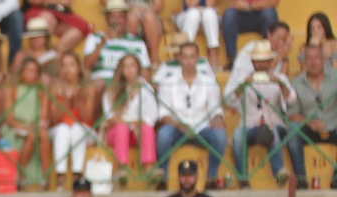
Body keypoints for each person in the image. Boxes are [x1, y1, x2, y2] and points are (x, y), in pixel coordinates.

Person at [156, 42, 228, 189]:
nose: (189, 61)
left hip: (202, 128)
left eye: (192, 57)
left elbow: (216, 110)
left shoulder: (209, 81)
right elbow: (163, 114)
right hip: (176, 129)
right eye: (185, 57)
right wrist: (177, 124)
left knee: (220, 135)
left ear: (197, 58)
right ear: (179, 58)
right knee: (163, 135)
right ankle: (162, 179)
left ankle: (211, 178)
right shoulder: (168, 82)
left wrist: (216, 119)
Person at [228, 41, 297, 186]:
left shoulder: (280, 78)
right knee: (238, 135)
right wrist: (243, 85)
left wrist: (280, 84)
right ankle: (243, 178)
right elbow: (229, 99)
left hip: (275, 123)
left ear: (271, 61)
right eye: (258, 62)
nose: (262, 65)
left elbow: (291, 99)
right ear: (253, 62)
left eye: (265, 62)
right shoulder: (244, 78)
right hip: (250, 124)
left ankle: (278, 172)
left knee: (271, 129)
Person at [288, 41, 337, 189]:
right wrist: (309, 121)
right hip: (309, 130)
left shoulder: (335, 78)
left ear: (323, 60)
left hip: (333, 126)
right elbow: (291, 115)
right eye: (309, 58)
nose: (313, 62)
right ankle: (301, 180)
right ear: (304, 61)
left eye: (317, 58)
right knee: (293, 131)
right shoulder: (296, 83)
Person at [103, 53, 159, 182]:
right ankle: (122, 168)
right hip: (116, 132)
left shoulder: (146, 89)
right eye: (125, 66)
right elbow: (110, 117)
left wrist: (137, 125)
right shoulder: (112, 89)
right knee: (122, 128)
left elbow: (152, 114)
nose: (129, 69)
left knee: (147, 129)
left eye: (132, 66)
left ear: (138, 68)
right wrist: (131, 124)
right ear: (120, 69)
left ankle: (149, 167)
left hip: (138, 131)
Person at [48, 51, 97, 190]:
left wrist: (78, 98)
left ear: (78, 68)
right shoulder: (55, 87)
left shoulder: (88, 87)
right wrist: (65, 100)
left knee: (77, 128)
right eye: (64, 66)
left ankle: (77, 176)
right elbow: (54, 119)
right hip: (60, 129)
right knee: (64, 130)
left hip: (84, 130)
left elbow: (87, 118)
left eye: (71, 65)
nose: (68, 69)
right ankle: (60, 176)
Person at [7, 56, 54, 187]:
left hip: (35, 125)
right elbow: (9, 117)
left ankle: (46, 177)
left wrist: (34, 126)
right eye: (28, 70)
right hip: (16, 126)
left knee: (42, 134)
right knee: (32, 135)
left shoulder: (41, 90)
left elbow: (43, 116)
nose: (32, 74)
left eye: (35, 71)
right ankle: (21, 176)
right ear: (22, 72)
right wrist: (24, 126)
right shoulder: (12, 89)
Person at [83, 1, 151, 85]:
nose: (117, 21)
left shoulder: (137, 42)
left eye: (121, 16)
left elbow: (145, 70)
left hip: (127, 85)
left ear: (126, 19)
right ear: (106, 19)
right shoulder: (94, 38)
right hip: (103, 84)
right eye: (113, 17)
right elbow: (87, 65)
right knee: (98, 84)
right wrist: (102, 42)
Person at [222, 0, 280, 66]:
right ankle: (232, 61)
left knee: (269, 14)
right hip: (241, 16)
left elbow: (273, 2)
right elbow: (235, 4)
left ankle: (268, 57)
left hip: (261, 15)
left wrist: (249, 7)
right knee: (229, 14)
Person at [176, 0, 224, 68]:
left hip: (208, 15)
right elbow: (191, 4)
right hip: (187, 14)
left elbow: (210, 4)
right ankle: (187, 53)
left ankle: (214, 57)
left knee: (209, 13)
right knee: (194, 13)